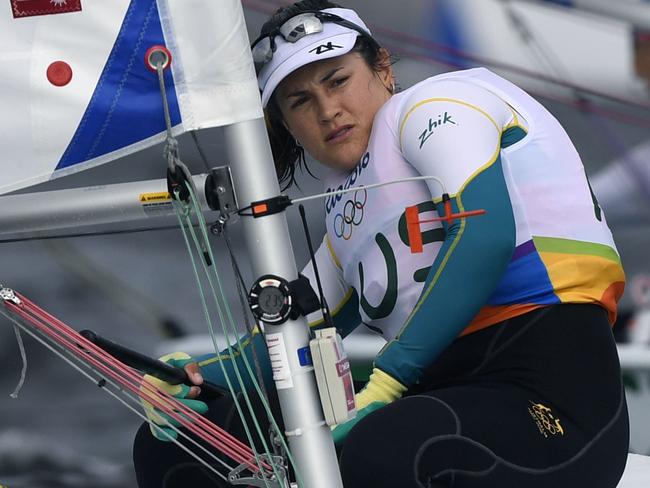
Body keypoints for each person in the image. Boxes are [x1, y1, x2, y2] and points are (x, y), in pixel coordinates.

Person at [133, 1, 630, 487]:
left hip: (552, 397)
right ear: (285, 125)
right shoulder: (347, 214)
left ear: (383, 68)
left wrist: (389, 379)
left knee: (386, 446)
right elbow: (288, 336)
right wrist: (191, 377)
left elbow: (485, 233)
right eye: (300, 101)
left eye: (338, 81)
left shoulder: (437, 106)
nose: (328, 110)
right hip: (440, 403)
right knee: (183, 441)